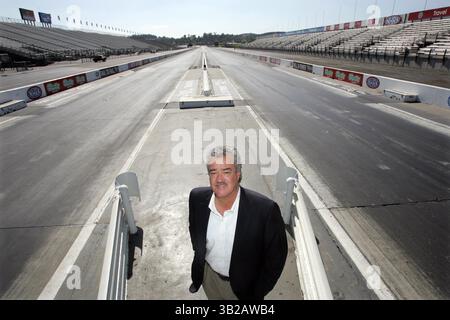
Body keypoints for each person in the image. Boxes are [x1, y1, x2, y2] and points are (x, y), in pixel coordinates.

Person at [188, 146, 288, 300]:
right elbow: (194, 231)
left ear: (238, 174)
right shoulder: (197, 198)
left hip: (243, 290)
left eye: (226, 171)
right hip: (209, 278)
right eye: (213, 172)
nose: (219, 179)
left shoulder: (265, 210)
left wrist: (257, 292)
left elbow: (276, 257)